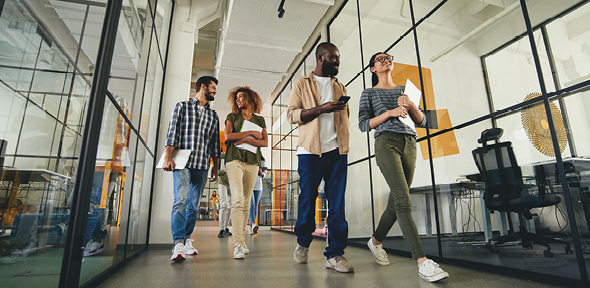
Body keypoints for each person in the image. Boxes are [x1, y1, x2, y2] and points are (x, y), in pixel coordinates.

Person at [358, 52, 449, 282]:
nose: (385, 60)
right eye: (380, 59)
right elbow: (363, 124)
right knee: (403, 201)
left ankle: (376, 241)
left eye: (388, 57)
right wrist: (390, 112)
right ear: (372, 69)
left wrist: (410, 104)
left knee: (395, 202)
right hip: (386, 142)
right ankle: (422, 262)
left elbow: (423, 121)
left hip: (409, 143)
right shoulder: (369, 93)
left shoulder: (406, 90)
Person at [286, 42, 353, 273]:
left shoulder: (340, 86)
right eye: (333, 57)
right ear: (320, 58)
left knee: (337, 203)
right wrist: (321, 109)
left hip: (337, 151)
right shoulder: (301, 84)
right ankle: (303, 243)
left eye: (338, 58)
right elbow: (292, 115)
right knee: (307, 199)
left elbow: (345, 118)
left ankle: (335, 254)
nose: (337, 61)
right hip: (309, 151)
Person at [163, 76, 220, 262]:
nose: (214, 91)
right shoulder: (182, 107)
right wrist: (167, 157)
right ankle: (178, 243)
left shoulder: (213, 116)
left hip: (202, 164)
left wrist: (216, 167)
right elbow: (172, 132)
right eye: (212, 87)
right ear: (202, 87)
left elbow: (215, 145)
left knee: (194, 207)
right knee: (180, 201)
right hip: (183, 162)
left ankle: (187, 239)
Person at [224, 86, 268, 259]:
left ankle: (242, 242)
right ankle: (238, 244)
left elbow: (264, 142)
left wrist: (240, 138)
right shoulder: (231, 117)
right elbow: (228, 137)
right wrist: (249, 133)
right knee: (237, 199)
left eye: (241, 96)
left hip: (252, 162)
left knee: (246, 201)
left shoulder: (260, 120)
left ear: (251, 99)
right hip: (234, 159)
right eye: (236, 98)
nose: (238, 100)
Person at [247, 156, 267, 234]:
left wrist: (261, 173)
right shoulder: (249, 159)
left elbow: (264, 173)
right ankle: (252, 223)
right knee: (251, 205)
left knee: (255, 207)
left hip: (258, 186)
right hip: (249, 185)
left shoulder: (262, 161)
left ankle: (252, 227)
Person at [217, 153, 232, 238]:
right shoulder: (222, 157)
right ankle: (221, 229)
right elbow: (215, 171)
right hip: (222, 182)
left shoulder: (234, 157)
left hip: (232, 184)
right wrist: (224, 171)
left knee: (230, 206)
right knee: (224, 204)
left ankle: (226, 227)